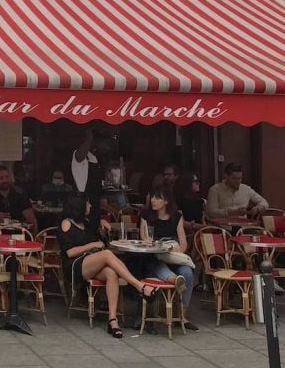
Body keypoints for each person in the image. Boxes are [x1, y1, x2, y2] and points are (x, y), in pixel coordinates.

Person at [58, 196, 156, 339]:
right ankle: (140, 286)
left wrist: (102, 231)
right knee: (107, 255)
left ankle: (112, 320)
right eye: (87, 204)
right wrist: (92, 245)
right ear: (79, 206)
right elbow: (69, 252)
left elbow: (98, 242)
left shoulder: (87, 222)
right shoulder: (66, 223)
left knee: (111, 273)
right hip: (75, 265)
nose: (90, 206)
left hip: (91, 261)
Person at [141, 186, 197, 330]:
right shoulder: (146, 215)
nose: (153, 200)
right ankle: (174, 280)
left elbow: (183, 243)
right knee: (159, 267)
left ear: (166, 201)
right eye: (152, 197)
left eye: (157, 198)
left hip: (173, 257)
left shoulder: (176, 216)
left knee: (187, 273)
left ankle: (181, 316)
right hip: (155, 257)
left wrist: (177, 251)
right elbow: (145, 239)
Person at [0, 165, 38, 230]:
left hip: (17, 231)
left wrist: (35, 236)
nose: (5, 180)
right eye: (1, 178)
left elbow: (31, 218)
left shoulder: (20, 193)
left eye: (7, 177)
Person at [71, 129, 103, 230]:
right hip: (83, 199)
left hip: (94, 199)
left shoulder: (93, 157)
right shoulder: (77, 155)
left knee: (93, 229)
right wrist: (89, 138)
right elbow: (81, 153)